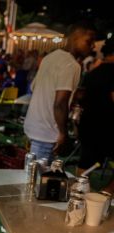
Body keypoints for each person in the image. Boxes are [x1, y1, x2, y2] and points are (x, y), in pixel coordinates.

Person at [23, 22, 96, 162]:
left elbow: (35, 88)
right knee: (38, 181)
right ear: (75, 37)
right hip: (48, 133)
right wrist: (63, 133)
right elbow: (60, 103)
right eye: (89, 40)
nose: (92, 45)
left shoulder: (50, 57)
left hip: (33, 128)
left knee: (32, 178)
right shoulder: (72, 65)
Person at [77, 39, 114, 193]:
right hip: (109, 127)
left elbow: (81, 96)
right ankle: (105, 196)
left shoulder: (92, 73)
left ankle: (80, 195)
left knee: (84, 165)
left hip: (89, 125)